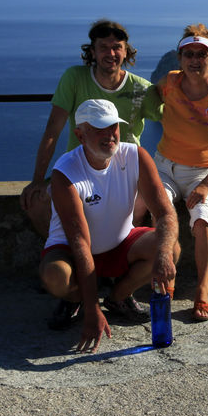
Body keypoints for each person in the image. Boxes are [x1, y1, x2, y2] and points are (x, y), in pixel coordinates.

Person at [39, 99, 180, 353]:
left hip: (120, 243)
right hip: (71, 251)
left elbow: (165, 212)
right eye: (99, 129)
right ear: (79, 134)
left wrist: (162, 254)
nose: (109, 135)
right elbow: (80, 242)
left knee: (171, 248)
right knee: (55, 276)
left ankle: (117, 298)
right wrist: (92, 309)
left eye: (113, 126)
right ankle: (76, 300)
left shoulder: (135, 155)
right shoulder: (66, 173)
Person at [21, 19, 161, 238]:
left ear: (126, 52)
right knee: (36, 203)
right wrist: (38, 180)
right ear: (92, 52)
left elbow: (178, 123)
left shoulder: (142, 89)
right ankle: (65, 252)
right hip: (80, 169)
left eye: (117, 48)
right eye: (103, 47)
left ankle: (117, 257)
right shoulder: (74, 78)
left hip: (124, 173)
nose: (111, 53)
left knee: (141, 203)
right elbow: (52, 130)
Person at [153, 24, 208, 322]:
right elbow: (150, 99)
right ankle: (168, 274)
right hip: (164, 165)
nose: (194, 59)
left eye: (201, 54)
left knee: (202, 219)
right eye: (188, 53)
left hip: (201, 173)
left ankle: (202, 291)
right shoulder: (171, 82)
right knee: (162, 213)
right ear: (179, 58)